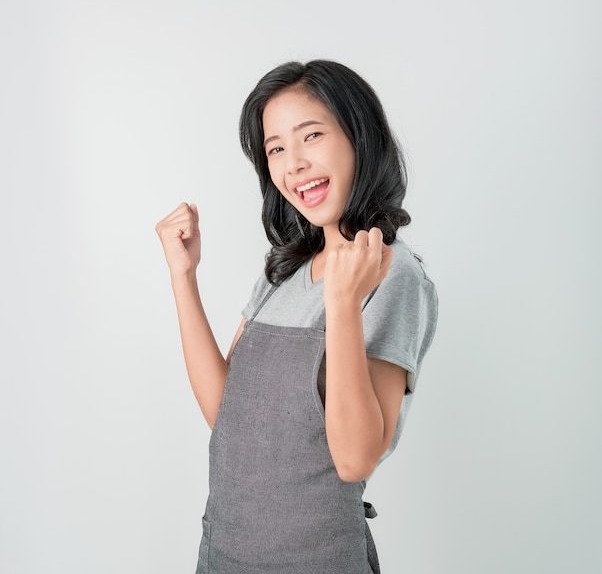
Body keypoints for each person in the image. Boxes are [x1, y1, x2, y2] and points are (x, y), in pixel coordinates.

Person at [155, 59, 438, 574]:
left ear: (359, 137)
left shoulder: (393, 277)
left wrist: (343, 305)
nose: (295, 164)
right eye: (277, 149)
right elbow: (229, 416)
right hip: (223, 556)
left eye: (311, 136)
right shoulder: (285, 270)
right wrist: (183, 276)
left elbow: (355, 460)